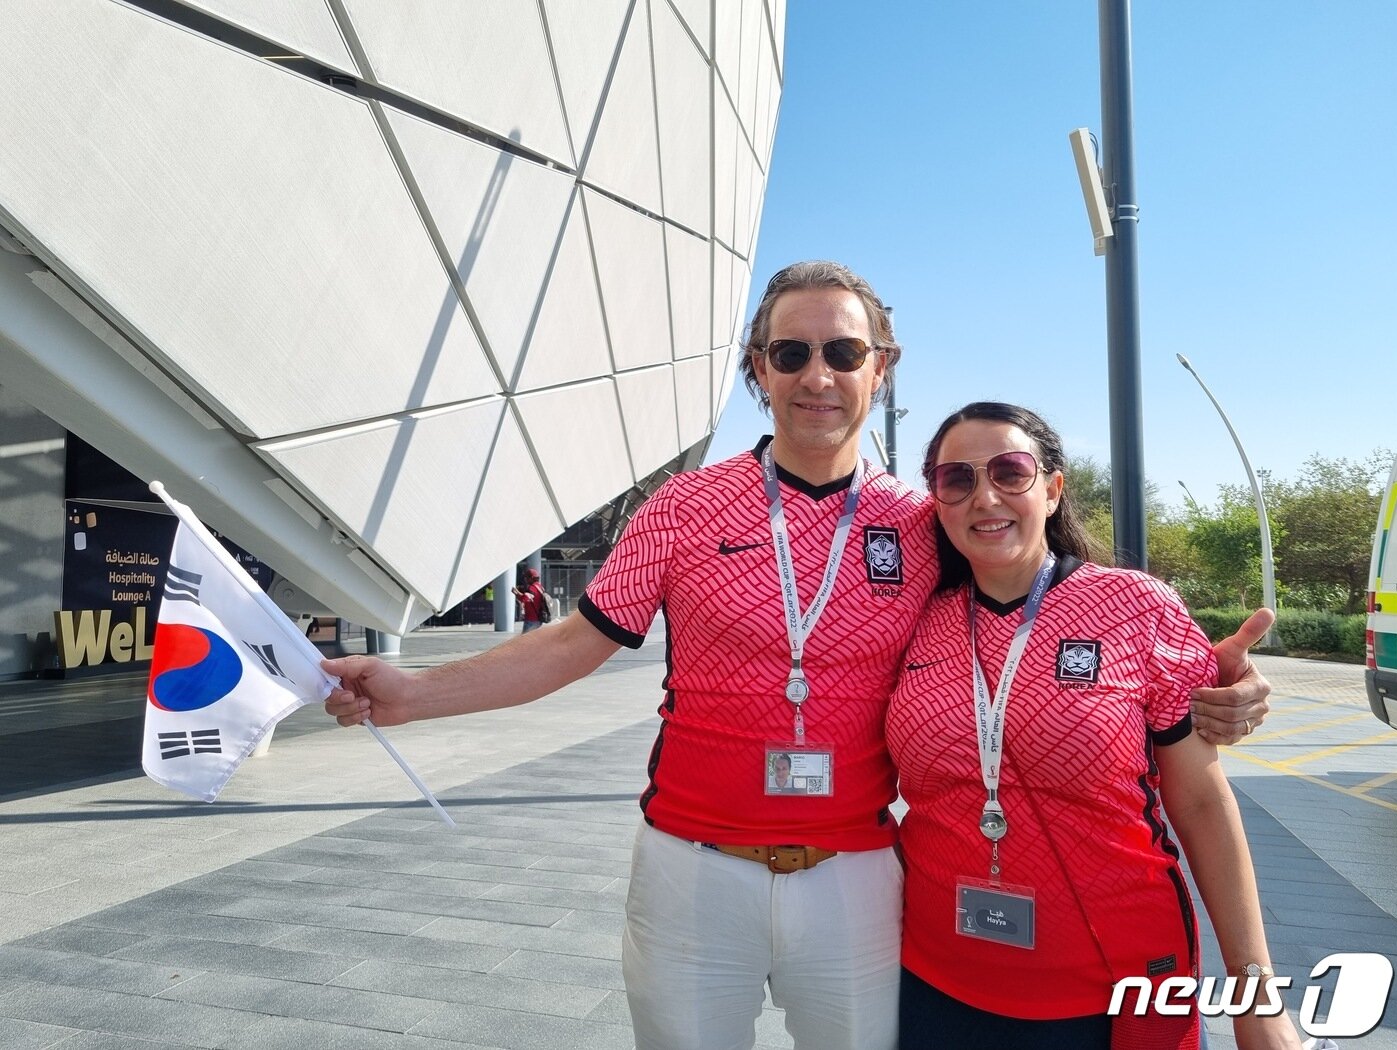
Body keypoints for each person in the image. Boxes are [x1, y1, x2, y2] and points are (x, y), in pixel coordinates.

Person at [323, 262, 1272, 1050]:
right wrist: (410, 693)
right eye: (792, 353)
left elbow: (1038, 600)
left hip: (856, 876)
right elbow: (575, 644)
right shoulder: (685, 508)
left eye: (844, 352)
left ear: (881, 368)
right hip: (691, 869)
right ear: (759, 370)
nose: (819, 374)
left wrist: (1206, 695)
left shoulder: (926, 516)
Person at [887, 401, 1300, 1050]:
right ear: (936, 500)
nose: (985, 495)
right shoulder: (914, 618)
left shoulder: (1136, 608)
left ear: (1052, 489)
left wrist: (1255, 993)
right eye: (957, 479)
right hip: (936, 984)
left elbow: (1200, 803)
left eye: (1010, 471)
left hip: (1121, 988)